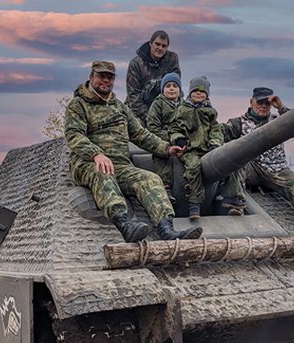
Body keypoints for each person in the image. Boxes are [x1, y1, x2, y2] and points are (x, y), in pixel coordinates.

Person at [64, 60, 201, 242]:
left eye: (110, 78)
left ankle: (166, 229)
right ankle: (124, 224)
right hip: (87, 163)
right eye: (101, 76)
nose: (105, 81)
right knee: (103, 173)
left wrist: (167, 148)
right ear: (91, 77)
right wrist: (96, 154)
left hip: (120, 164)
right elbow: (74, 135)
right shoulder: (78, 105)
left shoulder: (120, 107)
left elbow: (140, 134)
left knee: (150, 179)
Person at [221, 87, 294, 235]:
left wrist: (281, 107)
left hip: (277, 169)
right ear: (251, 102)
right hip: (250, 168)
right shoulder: (238, 123)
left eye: (267, 103)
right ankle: (235, 204)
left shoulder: (279, 122)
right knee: (235, 157)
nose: (263, 106)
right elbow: (219, 134)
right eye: (259, 102)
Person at [169, 76, 224, 220]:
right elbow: (174, 127)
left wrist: (215, 143)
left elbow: (216, 130)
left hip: (207, 149)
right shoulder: (182, 110)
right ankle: (194, 204)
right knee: (194, 168)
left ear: (207, 94)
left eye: (202, 92)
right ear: (189, 93)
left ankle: (223, 194)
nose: (198, 94)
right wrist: (178, 138)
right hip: (189, 149)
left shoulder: (210, 112)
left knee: (225, 163)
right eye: (195, 91)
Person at [125, 30, 181, 125]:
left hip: (164, 108)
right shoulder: (136, 63)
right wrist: (151, 118)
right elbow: (133, 96)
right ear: (150, 43)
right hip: (140, 110)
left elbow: (176, 86)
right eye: (157, 44)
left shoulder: (172, 59)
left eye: (164, 46)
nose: (160, 48)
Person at [146, 72, 183, 202]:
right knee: (161, 155)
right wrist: (170, 138)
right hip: (164, 138)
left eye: (175, 86)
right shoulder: (158, 104)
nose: (171, 88)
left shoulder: (185, 106)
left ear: (180, 89)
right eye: (168, 86)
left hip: (183, 138)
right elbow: (153, 127)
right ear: (163, 90)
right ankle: (166, 187)